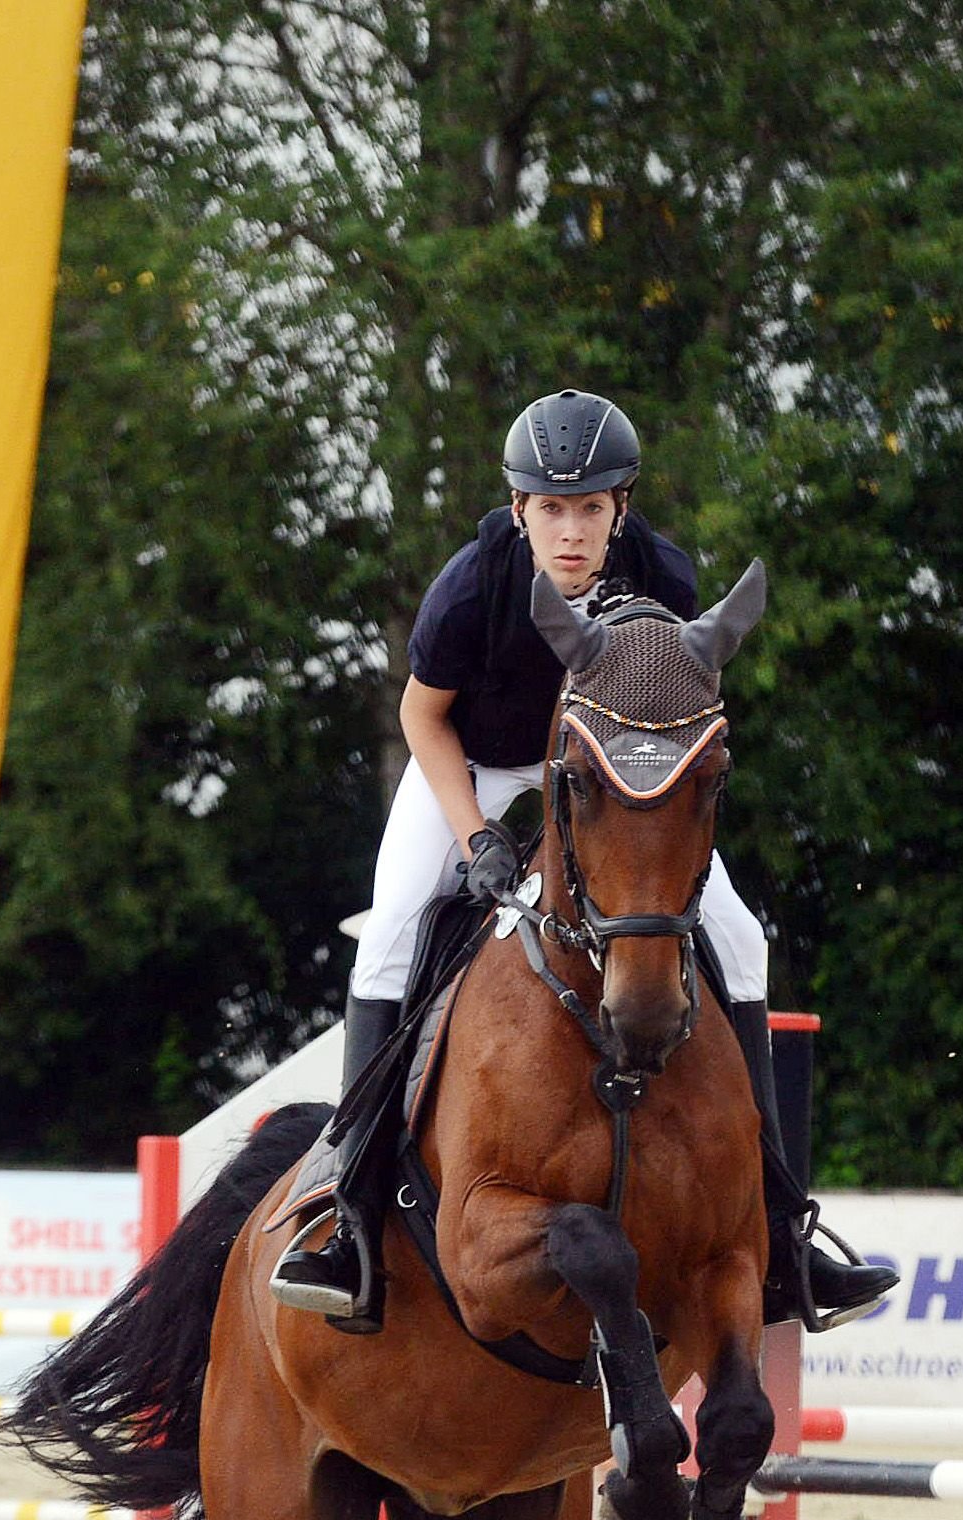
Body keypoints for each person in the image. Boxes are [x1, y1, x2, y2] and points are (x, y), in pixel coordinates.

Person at [272, 388, 896, 1333]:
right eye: (551, 510)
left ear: (622, 508)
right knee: (391, 935)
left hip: (601, 778)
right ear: (518, 509)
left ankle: (783, 1228)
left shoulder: (664, 581)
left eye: (591, 509)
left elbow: (672, 729)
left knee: (743, 938)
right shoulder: (469, 589)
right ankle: (344, 1213)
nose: (571, 532)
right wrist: (477, 836)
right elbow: (420, 717)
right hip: (476, 761)